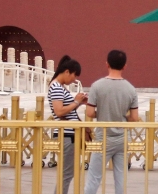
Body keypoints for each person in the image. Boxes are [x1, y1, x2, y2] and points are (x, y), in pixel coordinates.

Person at [84, 50, 140, 194]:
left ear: (107, 64)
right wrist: (122, 117)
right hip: (122, 138)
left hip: (103, 137)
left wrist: (102, 113)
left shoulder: (97, 86)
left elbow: (90, 113)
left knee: (94, 177)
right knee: (121, 178)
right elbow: (134, 117)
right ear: (124, 66)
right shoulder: (130, 89)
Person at [48, 56, 86, 194]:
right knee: (66, 174)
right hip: (66, 134)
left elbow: (65, 110)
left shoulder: (58, 87)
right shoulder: (57, 87)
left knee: (67, 173)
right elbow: (59, 111)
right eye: (74, 75)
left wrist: (78, 102)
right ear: (67, 72)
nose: (74, 80)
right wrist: (76, 102)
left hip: (69, 134)